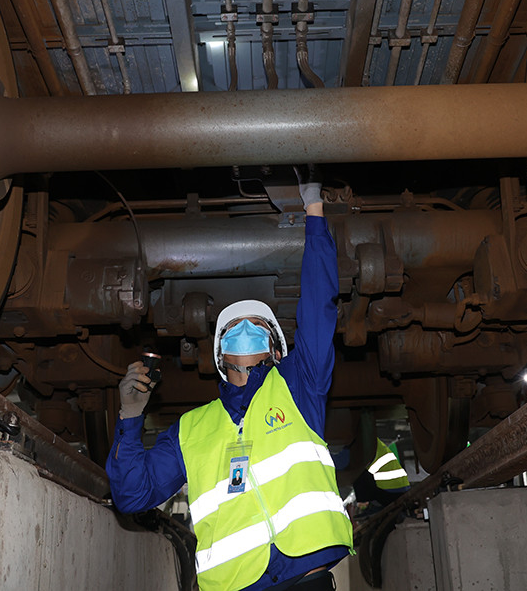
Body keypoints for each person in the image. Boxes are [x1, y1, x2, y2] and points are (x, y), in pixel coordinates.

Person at [107, 171, 352, 591]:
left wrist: (314, 209)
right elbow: (132, 496)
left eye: (257, 325)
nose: (245, 328)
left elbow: (318, 304)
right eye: (234, 327)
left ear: (277, 351)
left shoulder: (299, 386)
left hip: (305, 579)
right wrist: (130, 419)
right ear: (221, 357)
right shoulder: (191, 430)